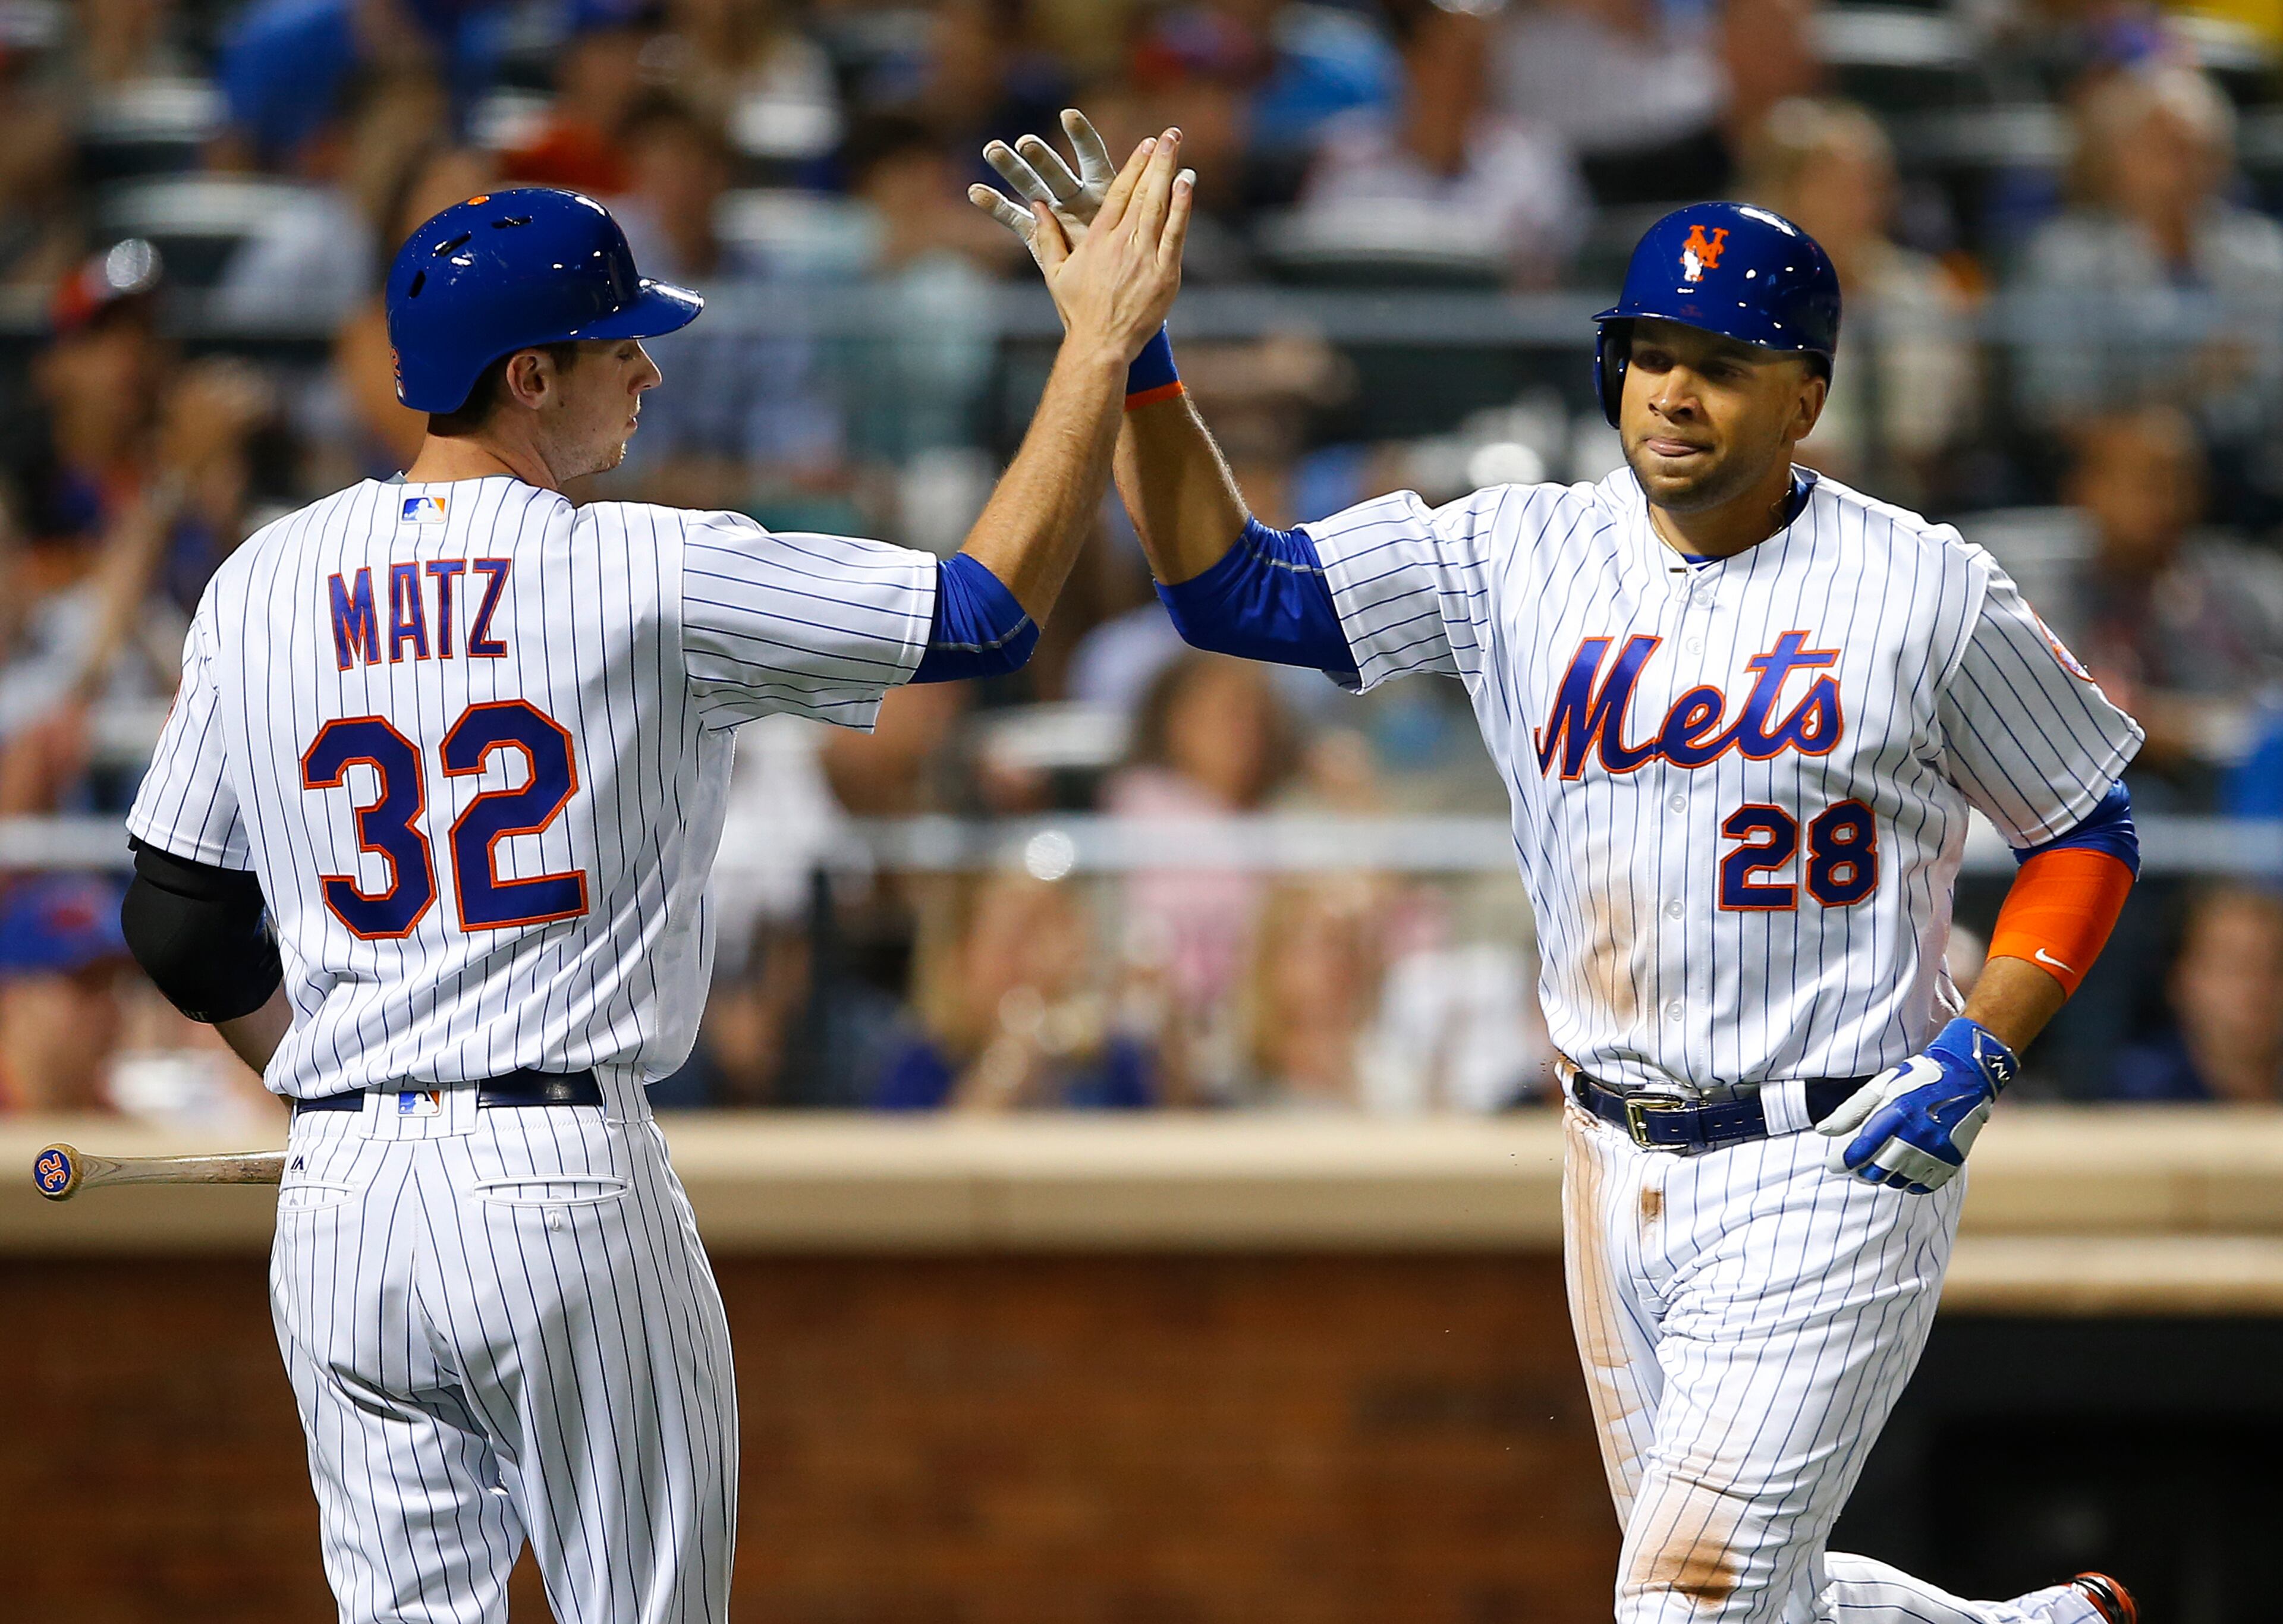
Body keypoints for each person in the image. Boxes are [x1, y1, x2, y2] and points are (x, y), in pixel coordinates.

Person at [976, 113, 2149, 1624]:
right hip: (1608, 1155)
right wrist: (1132, 353)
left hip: (1832, 1150)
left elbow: (2082, 819)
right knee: (1741, 1588)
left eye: (1719, 362)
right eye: (1649, 351)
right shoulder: (1518, 550)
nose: (1671, 389)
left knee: (1679, 1602)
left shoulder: (1921, 584)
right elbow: (1232, 592)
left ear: (1804, 396)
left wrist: (1985, 1044)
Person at [117, 137, 1193, 1622]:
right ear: (528, 378)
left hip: (343, 1191)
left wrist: (322, 1083)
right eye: (620, 340)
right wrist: (1097, 346)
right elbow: (983, 613)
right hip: (557, 1175)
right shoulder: (638, 570)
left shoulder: (262, 578)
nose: (652, 370)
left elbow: (175, 915)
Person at [2108, 886, 2283, 1103]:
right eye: (2233, 967)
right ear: (2181, 981)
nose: (2257, 986)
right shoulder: (2143, 1094)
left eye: (2275, 966)